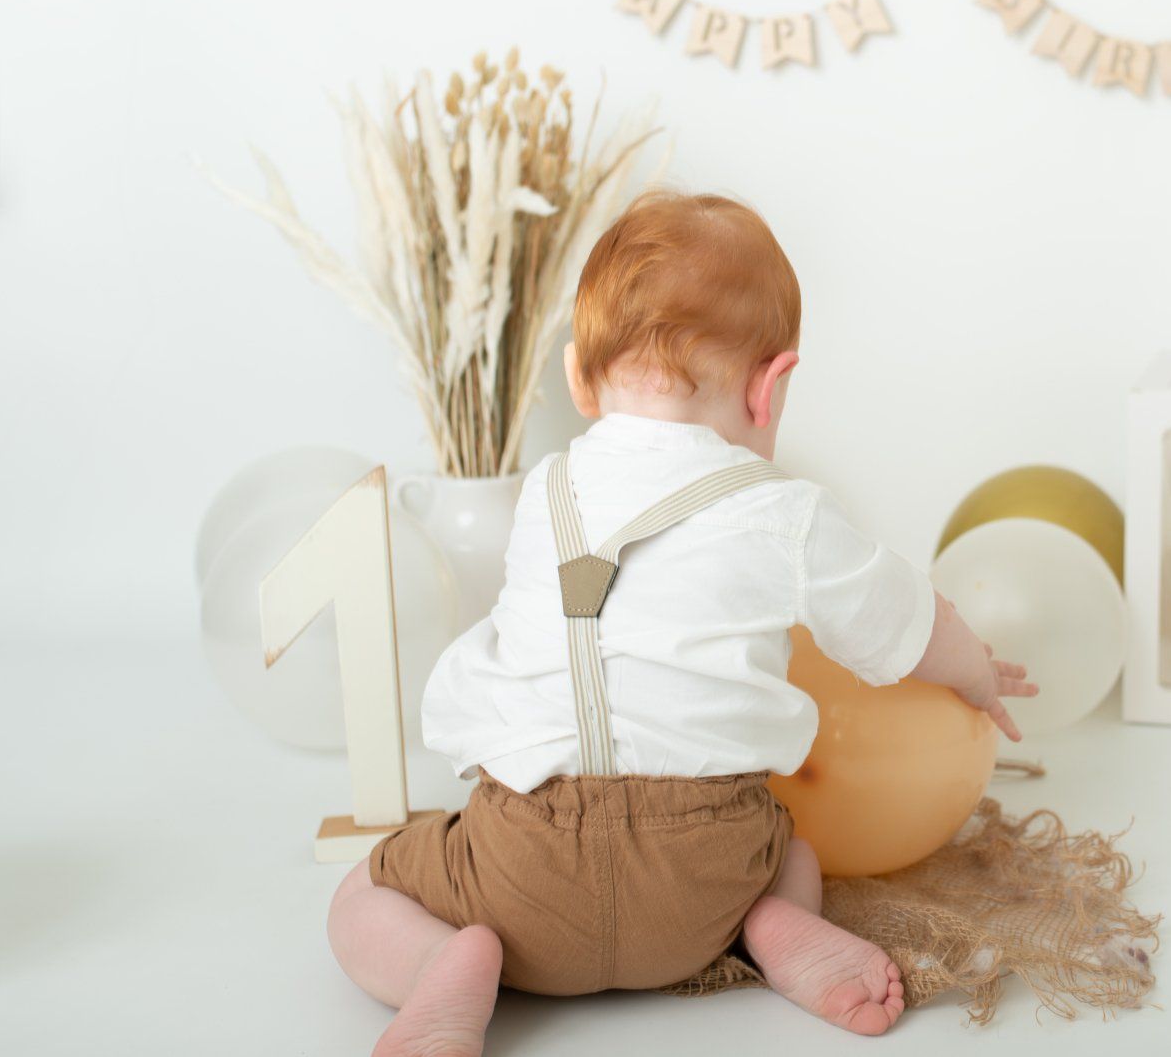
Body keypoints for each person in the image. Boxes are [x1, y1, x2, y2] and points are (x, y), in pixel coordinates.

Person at [325, 191, 1035, 1056]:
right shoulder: (787, 511)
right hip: (707, 880)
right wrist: (978, 675)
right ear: (772, 386)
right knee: (794, 850)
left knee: (363, 895)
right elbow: (911, 623)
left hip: (523, 878)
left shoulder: (542, 493)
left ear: (579, 377)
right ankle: (773, 924)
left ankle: (447, 969)